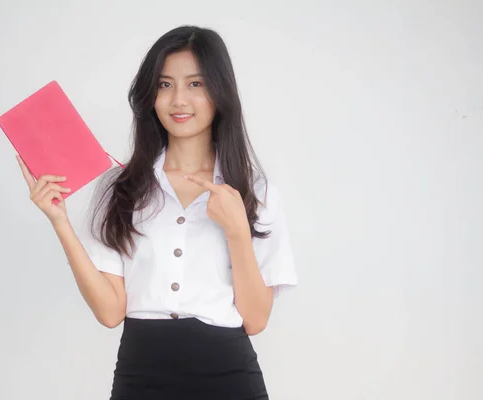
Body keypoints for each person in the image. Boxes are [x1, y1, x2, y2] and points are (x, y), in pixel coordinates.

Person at [16, 25, 297, 400]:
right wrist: (60, 221)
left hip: (229, 378)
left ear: (220, 93)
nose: (179, 99)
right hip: (141, 376)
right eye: (165, 85)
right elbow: (110, 312)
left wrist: (237, 233)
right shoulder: (121, 187)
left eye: (195, 84)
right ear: (150, 95)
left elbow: (256, 319)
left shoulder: (255, 193)